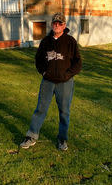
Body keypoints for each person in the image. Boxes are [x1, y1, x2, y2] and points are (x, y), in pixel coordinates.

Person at [20, 13, 82, 151]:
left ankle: (62, 139)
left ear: (64, 25)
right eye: (55, 23)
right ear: (52, 24)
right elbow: (38, 60)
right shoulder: (46, 41)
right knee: (40, 109)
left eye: (60, 23)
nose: (57, 25)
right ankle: (32, 136)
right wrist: (43, 72)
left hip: (65, 83)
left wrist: (68, 74)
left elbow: (78, 62)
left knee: (64, 111)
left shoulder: (70, 41)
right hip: (47, 82)